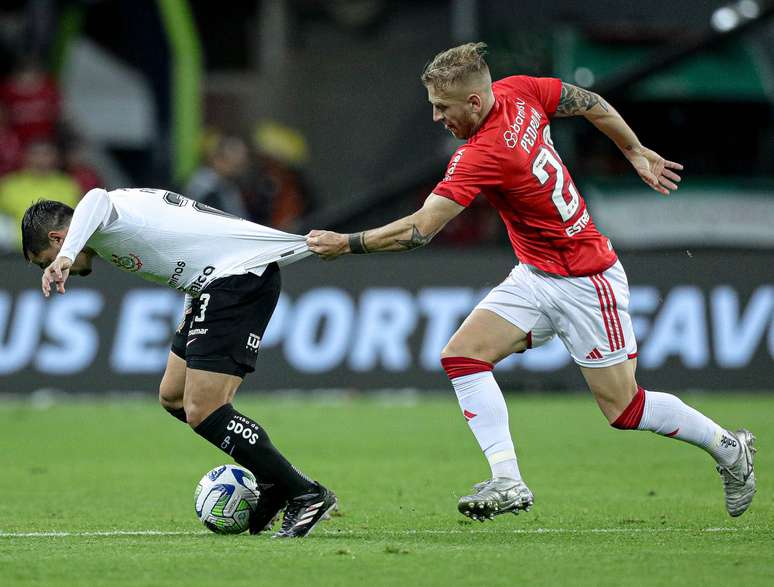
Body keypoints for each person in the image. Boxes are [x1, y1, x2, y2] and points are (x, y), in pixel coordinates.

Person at [306, 42, 756, 521]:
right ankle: (508, 480)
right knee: (463, 355)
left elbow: (419, 231)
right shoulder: (517, 92)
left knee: (624, 409)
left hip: (586, 280)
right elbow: (590, 102)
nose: (438, 118)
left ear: (475, 102)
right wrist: (634, 150)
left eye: (442, 108)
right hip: (537, 274)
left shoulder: (482, 154)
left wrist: (347, 243)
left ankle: (729, 448)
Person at [22, 187, 336, 538]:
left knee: (203, 408)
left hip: (237, 278)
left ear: (58, 238)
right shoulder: (112, 223)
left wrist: (65, 257)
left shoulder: (102, 214)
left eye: (45, 260)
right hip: (207, 286)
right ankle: (271, 480)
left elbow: (95, 196)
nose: (53, 268)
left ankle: (304, 491)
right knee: (173, 396)